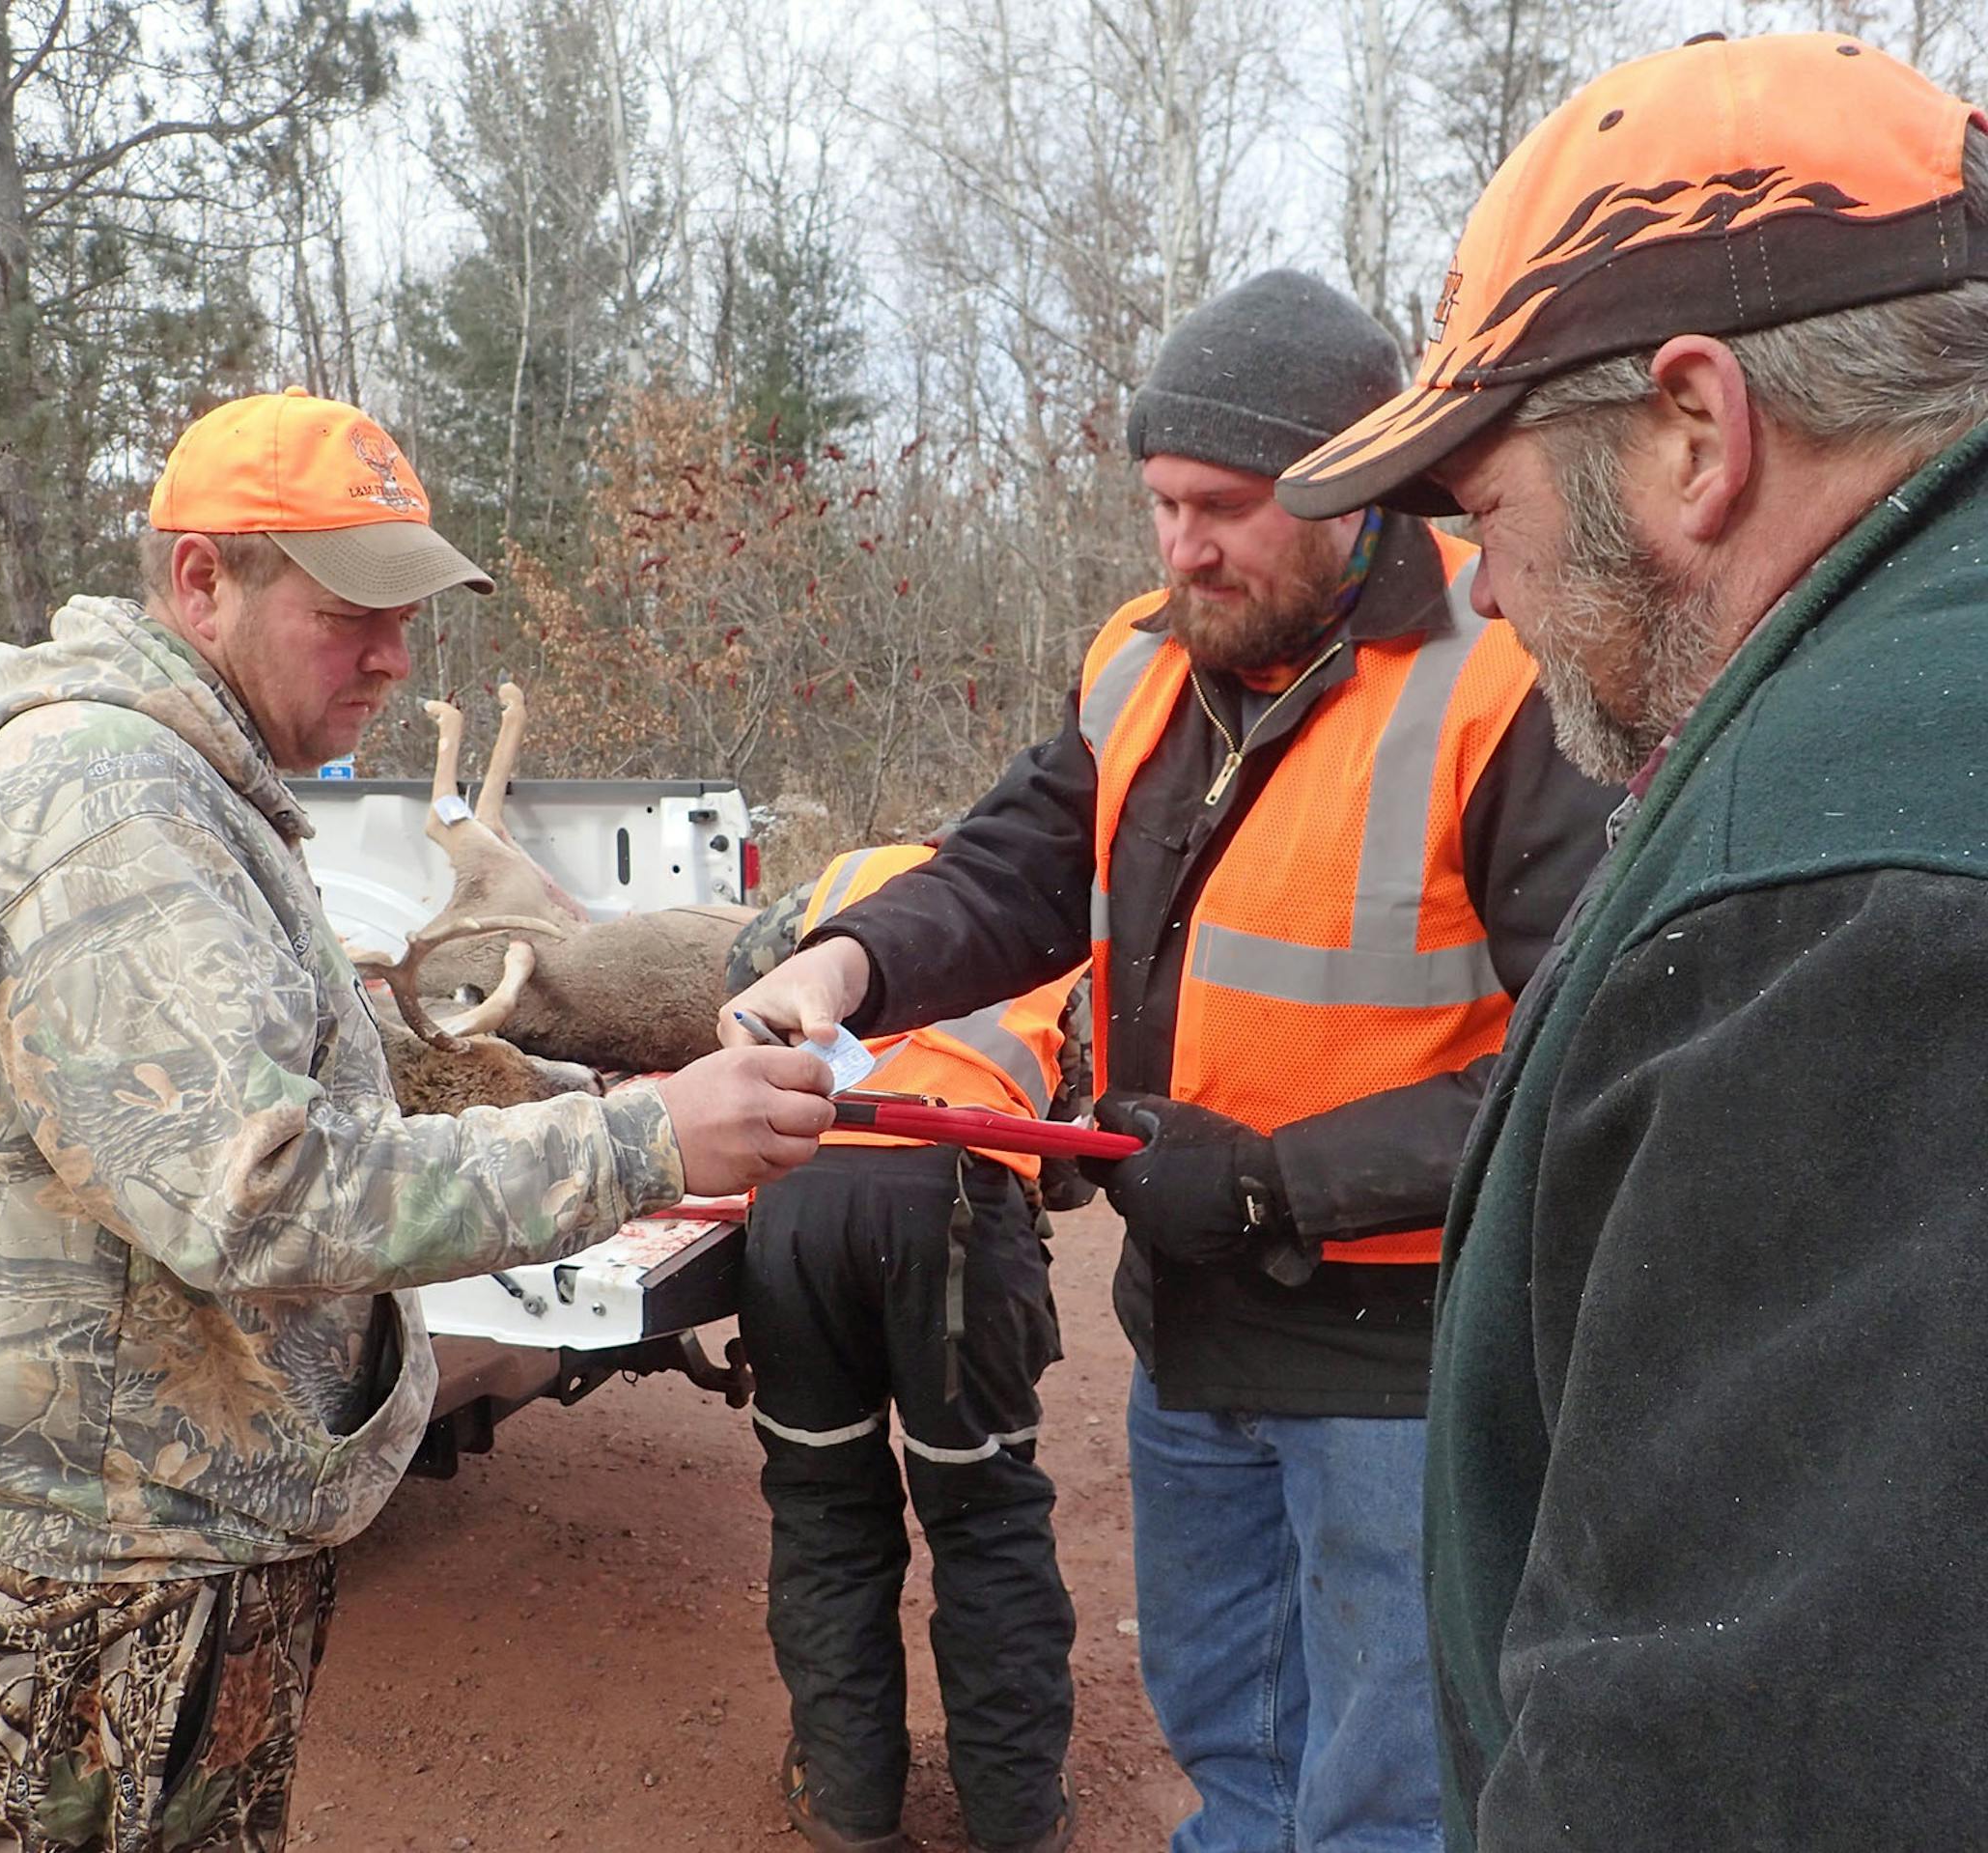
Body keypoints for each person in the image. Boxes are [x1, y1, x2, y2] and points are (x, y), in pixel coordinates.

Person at [724, 271, 1615, 1853]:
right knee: (1233, 1737)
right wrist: (842, 960)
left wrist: (1274, 1181)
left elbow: (1581, 1063)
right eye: (1161, 502)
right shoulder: (1143, 659)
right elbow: (1012, 866)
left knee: (1388, 1784)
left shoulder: (1507, 668)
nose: (1182, 545)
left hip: (1397, 1367)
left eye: (1226, 507)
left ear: (1354, 489)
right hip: (1196, 1331)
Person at [0, 387, 833, 1853]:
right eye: (352, 612)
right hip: (110, 1563)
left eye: (406, 617)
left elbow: (259, 1095)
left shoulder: (180, 789)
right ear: (203, 577)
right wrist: (640, 1144)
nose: (395, 657)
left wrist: (578, 1094)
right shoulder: (107, 812)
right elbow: (255, 1191)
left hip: (165, 1521)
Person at [1274, 30, 1988, 1852]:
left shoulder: (1839, 902)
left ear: (1695, 433)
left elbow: (1739, 1758)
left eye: (1481, 504)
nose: (1482, 586)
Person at [731, 842, 1082, 1853]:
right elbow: (1071, 1134)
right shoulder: (1046, 905)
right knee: (983, 1510)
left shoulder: (837, 883)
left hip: (799, 1190)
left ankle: (848, 1797)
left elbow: (743, 997)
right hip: (957, 1203)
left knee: (823, 1498)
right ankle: (1016, 1811)